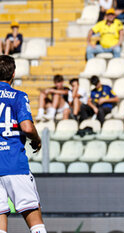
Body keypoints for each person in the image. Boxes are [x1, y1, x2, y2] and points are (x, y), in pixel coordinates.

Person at [0, 55, 47, 233]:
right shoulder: (18, 96)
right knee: (34, 217)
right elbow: (27, 127)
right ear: (13, 74)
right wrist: (37, 139)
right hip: (14, 164)